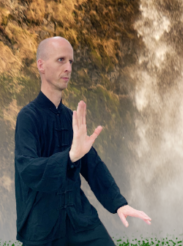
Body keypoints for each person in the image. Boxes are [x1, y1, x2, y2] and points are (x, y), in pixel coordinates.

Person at [15, 36, 152, 245]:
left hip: (79, 218)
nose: (68, 67)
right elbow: (27, 168)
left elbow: (93, 167)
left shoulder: (73, 119)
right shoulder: (28, 117)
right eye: (61, 60)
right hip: (42, 225)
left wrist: (119, 204)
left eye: (71, 61)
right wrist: (69, 157)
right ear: (41, 65)